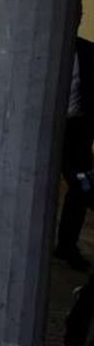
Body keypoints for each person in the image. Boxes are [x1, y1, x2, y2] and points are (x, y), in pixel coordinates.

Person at [56, 29, 94, 271]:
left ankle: (67, 246)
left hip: (76, 131)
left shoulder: (89, 52)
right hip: (42, 128)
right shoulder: (37, 46)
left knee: (82, 186)